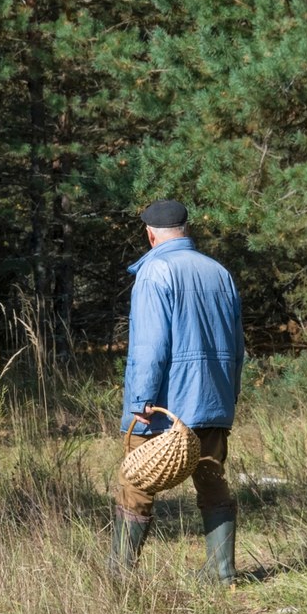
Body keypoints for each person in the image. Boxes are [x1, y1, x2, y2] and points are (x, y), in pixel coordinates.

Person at [109, 199, 246, 583]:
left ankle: (119, 576)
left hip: (164, 408)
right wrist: (228, 394)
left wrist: (141, 401)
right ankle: (223, 574)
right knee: (213, 481)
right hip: (214, 401)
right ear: (186, 229)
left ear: (150, 234)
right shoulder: (220, 272)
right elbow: (238, 346)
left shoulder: (154, 271)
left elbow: (149, 346)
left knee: (135, 484)